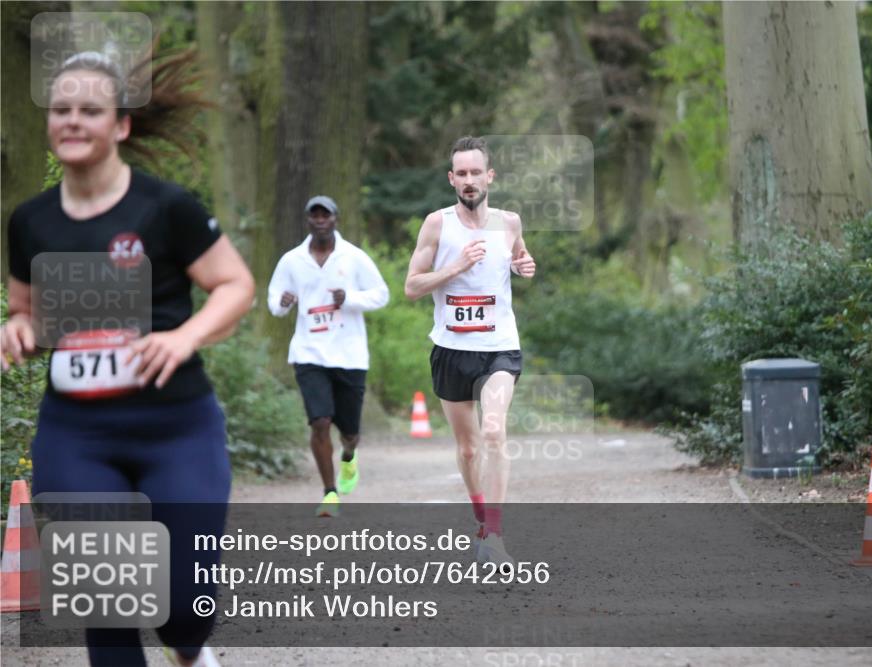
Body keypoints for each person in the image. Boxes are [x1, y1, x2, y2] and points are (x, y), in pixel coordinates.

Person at [1, 49, 255, 667]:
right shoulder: (30, 222)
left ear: (120, 126)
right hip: (77, 434)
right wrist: (19, 330)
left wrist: (183, 337)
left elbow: (235, 286)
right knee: (108, 609)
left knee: (183, 609)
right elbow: (27, 313)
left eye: (90, 109)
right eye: (61, 109)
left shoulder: (166, 208)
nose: (72, 120)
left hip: (176, 427)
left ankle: (190, 651)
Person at [404, 136, 536, 568]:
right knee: (467, 449)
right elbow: (411, 287)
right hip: (451, 349)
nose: (469, 180)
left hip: (499, 346)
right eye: (461, 173)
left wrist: (524, 264)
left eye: (475, 172)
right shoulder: (437, 225)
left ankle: (494, 535)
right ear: (451, 179)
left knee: (494, 432)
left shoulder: (510, 222)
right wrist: (456, 267)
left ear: (489, 176)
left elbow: (518, 257)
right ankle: (481, 516)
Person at [267, 195, 389, 516]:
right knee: (319, 422)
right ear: (308, 221)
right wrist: (284, 301)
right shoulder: (292, 261)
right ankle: (329, 493)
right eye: (314, 216)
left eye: (326, 215)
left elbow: (381, 294)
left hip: (349, 354)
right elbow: (274, 303)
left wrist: (349, 298)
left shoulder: (354, 257)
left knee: (349, 432)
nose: (320, 221)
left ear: (335, 219)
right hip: (308, 352)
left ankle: (349, 456)